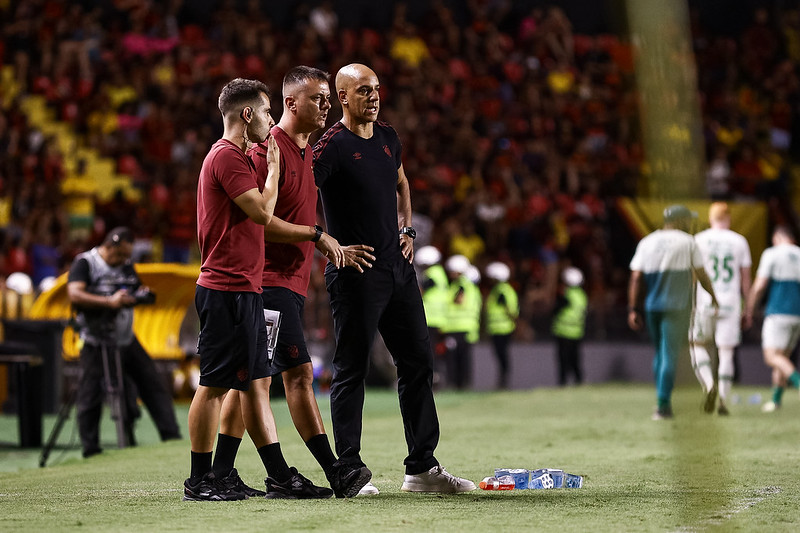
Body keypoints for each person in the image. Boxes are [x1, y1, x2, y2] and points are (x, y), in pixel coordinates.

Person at [312, 63, 475, 493]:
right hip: (356, 272)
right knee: (351, 369)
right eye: (364, 90)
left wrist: (407, 229)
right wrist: (327, 243)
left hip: (398, 270)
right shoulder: (330, 146)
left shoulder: (387, 137)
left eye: (377, 89)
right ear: (342, 97)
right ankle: (350, 469)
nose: (374, 96)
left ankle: (421, 469)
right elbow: (295, 197)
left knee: (419, 363)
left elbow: (402, 183)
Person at [219, 66, 376, 498]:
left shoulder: (308, 150)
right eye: (318, 98)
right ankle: (334, 471)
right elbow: (260, 222)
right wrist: (318, 236)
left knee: (251, 380)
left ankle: (221, 472)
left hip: (287, 283)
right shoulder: (267, 151)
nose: (327, 104)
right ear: (290, 103)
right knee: (292, 377)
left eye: (329, 98)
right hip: (265, 281)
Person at [185, 78, 328, 502]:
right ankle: (200, 480)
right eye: (266, 112)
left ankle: (248, 475)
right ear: (247, 115)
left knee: (248, 384)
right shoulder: (226, 157)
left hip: (246, 288)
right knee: (213, 385)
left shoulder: (238, 158)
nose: (270, 120)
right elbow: (264, 213)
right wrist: (274, 173)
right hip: (224, 287)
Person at [67, 227, 181, 459]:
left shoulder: (126, 264)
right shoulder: (86, 263)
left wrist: (140, 295)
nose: (122, 261)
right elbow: (74, 294)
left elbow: (134, 288)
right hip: (95, 339)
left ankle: (172, 439)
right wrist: (109, 302)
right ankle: (91, 449)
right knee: (89, 395)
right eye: (119, 255)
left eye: (126, 257)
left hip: (126, 339)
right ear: (109, 246)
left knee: (153, 385)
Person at [628, 205, 719, 420]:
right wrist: (714, 296)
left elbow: (635, 278)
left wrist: (632, 308)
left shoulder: (646, 242)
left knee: (660, 353)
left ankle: (661, 396)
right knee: (670, 354)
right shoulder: (687, 242)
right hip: (677, 306)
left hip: (652, 307)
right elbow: (702, 275)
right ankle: (663, 405)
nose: (689, 223)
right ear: (679, 221)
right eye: (687, 220)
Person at [691, 202, 752, 415]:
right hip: (730, 303)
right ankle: (724, 401)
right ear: (728, 218)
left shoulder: (699, 240)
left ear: (710, 218)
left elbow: (693, 275)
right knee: (726, 353)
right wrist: (749, 308)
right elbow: (745, 279)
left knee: (697, 345)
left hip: (705, 302)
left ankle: (709, 384)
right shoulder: (739, 241)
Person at [745, 225, 800, 413]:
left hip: (778, 312)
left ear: (777, 238)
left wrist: (749, 307)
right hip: (797, 315)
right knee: (782, 358)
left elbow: (760, 285)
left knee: (772, 357)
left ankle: (798, 382)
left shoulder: (772, 254)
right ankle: (775, 401)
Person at [441, 254, 480, 390]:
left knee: (455, 359)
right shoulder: (469, 285)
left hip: (458, 327)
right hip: (465, 327)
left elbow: (458, 301)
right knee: (463, 358)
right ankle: (463, 384)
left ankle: (457, 384)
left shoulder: (461, 285)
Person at [415, 245, 449, 387]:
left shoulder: (431, 275)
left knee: (427, 351)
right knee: (434, 351)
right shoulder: (441, 274)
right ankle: (436, 378)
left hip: (429, 318)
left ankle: (431, 379)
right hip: (439, 319)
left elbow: (419, 292)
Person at [484, 261, 519, 389]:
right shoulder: (502, 290)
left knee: (502, 356)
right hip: (498, 328)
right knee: (500, 356)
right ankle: (502, 381)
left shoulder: (502, 291)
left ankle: (504, 382)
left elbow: (511, 311)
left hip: (502, 329)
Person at [551, 266, 587, 386]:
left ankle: (563, 383)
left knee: (563, 361)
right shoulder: (582, 295)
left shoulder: (567, 294)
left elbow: (556, 310)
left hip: (563, 332)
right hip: (577, 332)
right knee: (575, 359)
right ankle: (579, 381)